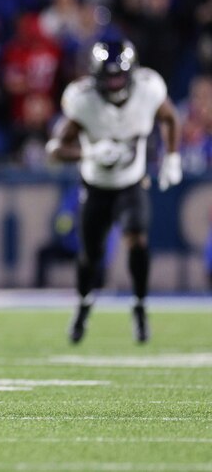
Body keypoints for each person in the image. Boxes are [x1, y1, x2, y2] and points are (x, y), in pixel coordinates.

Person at [47, 38, 181, 344]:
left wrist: (172, 158)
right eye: (109, 76)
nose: (115, 82)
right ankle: (82, 307)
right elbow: (55, 148)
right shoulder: (82, 99)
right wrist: (90, 153)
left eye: (120, 74)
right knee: (90, 255)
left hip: (131, 182)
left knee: (138, 241)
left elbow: (171, 118)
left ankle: (140, 308)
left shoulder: (149, 89)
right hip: (95, 185)